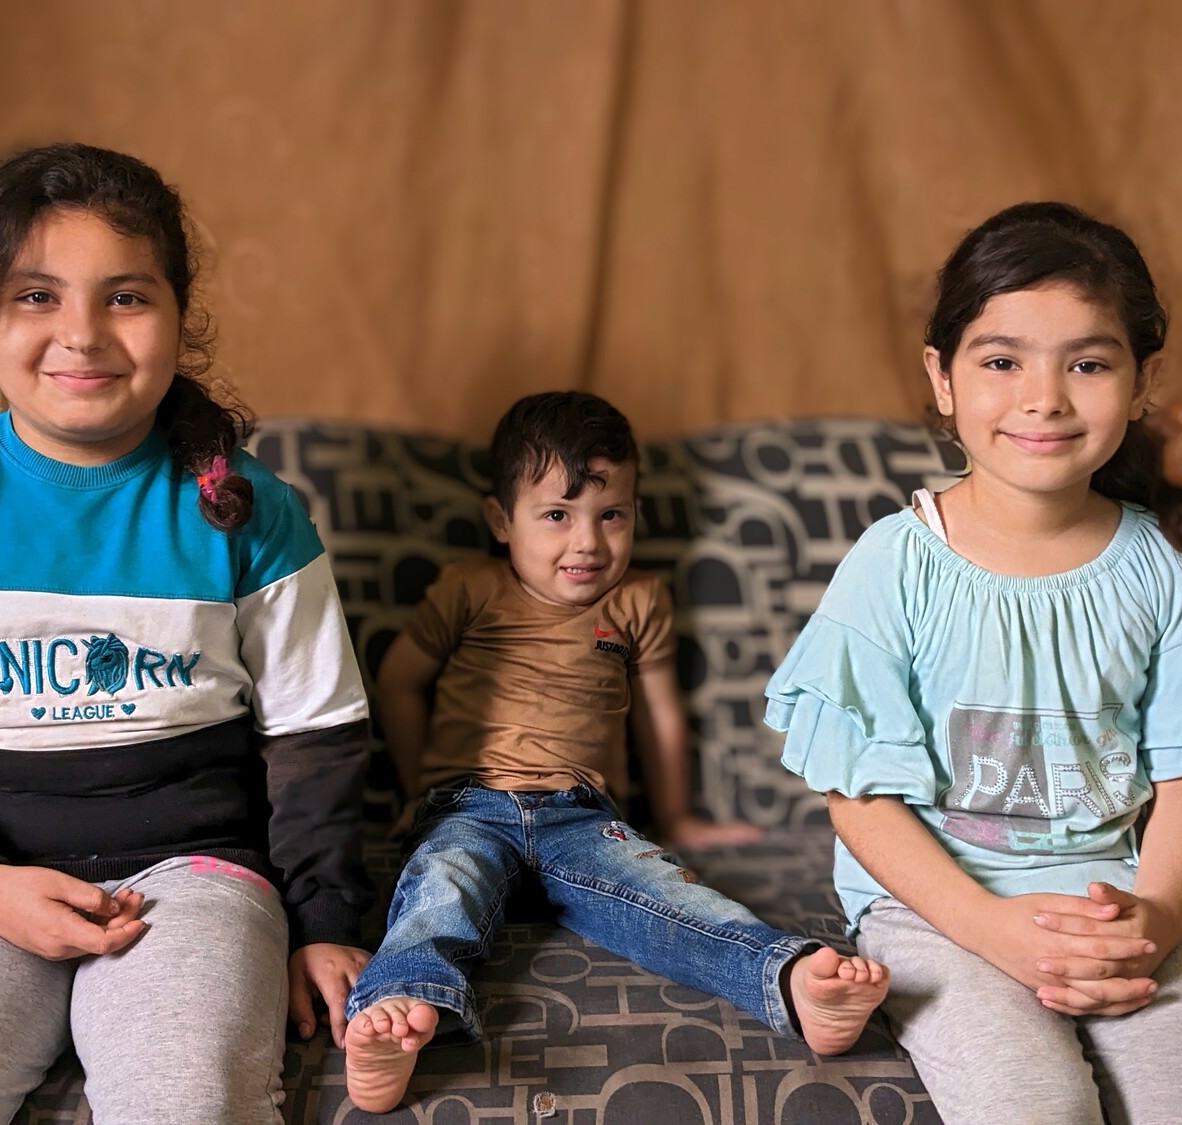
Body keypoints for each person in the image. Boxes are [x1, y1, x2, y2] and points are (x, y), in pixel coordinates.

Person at [0, 143, 372, 1125]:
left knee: (189, 1100)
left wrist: (324, 924)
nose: (82, 334)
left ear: (180, 317)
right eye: (37, 297)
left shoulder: (248, 510)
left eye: (126, 297)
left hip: (190, 885)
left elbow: (316, 743)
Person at [766, 202, 1182, 1124]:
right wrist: (995, 930)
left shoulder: (1169, 570)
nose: (1044, 397)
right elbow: (860, 797)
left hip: (1118, 902)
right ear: (944, 377)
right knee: (1035, 1107)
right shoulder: (895, 563)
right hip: (937, 910)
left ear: (1143, 380)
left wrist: (1154, 921)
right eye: (1002, 361)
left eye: (1086, 362)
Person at [343, 391, 889, 1113]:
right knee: (441, 887)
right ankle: (398, 1008)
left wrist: (679, 816)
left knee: (668, 899)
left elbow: (660, 712)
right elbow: (399, 679)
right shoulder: (470, 589)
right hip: (473, 803)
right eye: (557, 516)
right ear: (501, 521)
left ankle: (789, 979)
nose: (588, 543)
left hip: (581, 817)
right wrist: (420, 793)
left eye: (613, 515)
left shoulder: (637, 602)